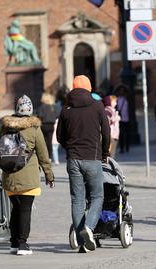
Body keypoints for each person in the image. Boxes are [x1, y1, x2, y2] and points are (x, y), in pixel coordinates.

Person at [0, 95, 54, 255]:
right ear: (31, 110)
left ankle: (13, 243)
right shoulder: (34, 128)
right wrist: (49, 175)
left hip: (9, 177)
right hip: (28, 178)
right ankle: (22, 244)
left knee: (16, 208)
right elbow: (43, 154)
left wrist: (6, 166)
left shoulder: (5, 127)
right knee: (25, 210)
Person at [57, 75, 110, 253]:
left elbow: (59, 136)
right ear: (89, 88)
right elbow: (107, 131)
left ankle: (81, 242)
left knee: (77, 200)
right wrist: (104, 153)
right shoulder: (97, 106)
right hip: (92, 158)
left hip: (73, 159)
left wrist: (69, 148)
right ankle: (88, 227)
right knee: (97, 197)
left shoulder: (66, 109)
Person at [37, 92, 57, 160]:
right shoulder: (52, 107)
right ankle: (50, 157)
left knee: (44, 142)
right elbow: (56, 115)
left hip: (44, 125)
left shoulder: (42, 106)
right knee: (49, 142)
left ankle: (44, 156)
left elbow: (39, 115)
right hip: (51, 125)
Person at [116, 85, 130, 154]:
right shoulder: (117, 99)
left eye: (123, 91)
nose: (121, 92)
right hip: (120, 118)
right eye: (120, 91)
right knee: (121, 134)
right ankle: (122, 148)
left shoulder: (127, 99)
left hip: (127, 118)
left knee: (127, 134)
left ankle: (127, 146)